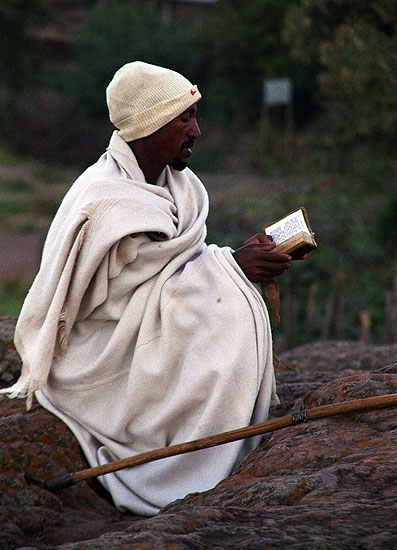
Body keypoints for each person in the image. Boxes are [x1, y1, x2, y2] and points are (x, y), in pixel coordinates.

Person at [1, 62, 294, 516]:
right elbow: (114, 302)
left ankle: (207, 434)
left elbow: (176, 274)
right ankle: (185, 464)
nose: (196, 131)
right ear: (149, 125)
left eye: (195, 117)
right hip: (101, 351)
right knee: (225, 304)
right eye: (184, 120)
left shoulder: (182, 186)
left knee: (227, 300)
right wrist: (231, 267)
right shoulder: (105, 200)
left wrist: (233, 263)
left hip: (150, 329)